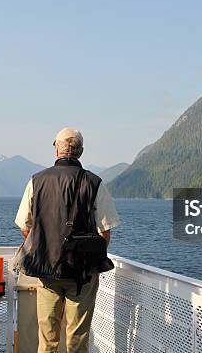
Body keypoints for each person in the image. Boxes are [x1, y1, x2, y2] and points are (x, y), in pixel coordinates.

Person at [14, 127, 120, 353]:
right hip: (81, 275)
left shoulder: (37, 181)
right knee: (77, 340)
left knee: (47, 340)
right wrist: (86, 258)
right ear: (80, 152)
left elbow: (25, 226)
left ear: (56, 150)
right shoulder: (94, 183)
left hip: (46, 270)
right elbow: (105, 233)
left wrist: (44, 248)